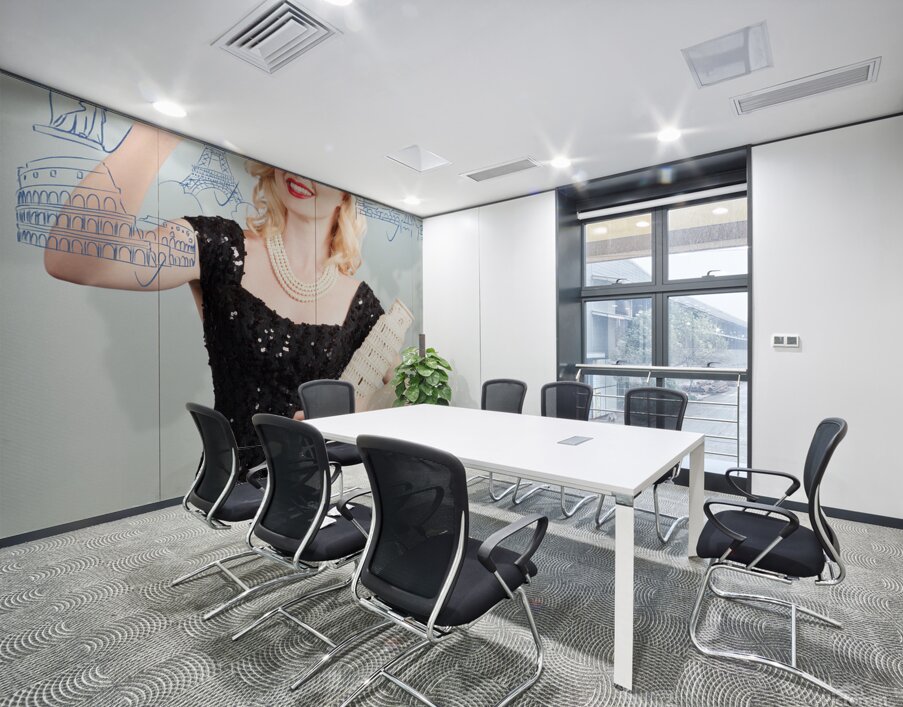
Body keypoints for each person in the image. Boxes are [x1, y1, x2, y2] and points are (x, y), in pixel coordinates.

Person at [44, 122, 390, 449]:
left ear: (348, 192)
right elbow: (74, 259)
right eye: (293, 154)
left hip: (318, 482)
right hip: (238, 485)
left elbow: (395, 387)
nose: (300, 171)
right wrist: (155, 130)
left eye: (321, 163)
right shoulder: (220, 246)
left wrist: (358, 415)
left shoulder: (359, 302)